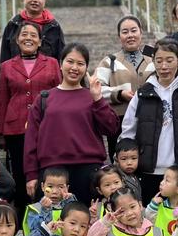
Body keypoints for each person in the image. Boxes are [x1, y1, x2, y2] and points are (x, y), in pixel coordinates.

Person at [24, 43, 120, 206]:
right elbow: (31, 140)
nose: (74, 67)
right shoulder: (44, 98)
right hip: (53, 173)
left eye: (80, 64)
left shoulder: (92, 97)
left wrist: (98, 99)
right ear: (60, 64)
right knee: (52, 225)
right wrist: (31, 175)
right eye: (70, 62)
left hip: (88, 172)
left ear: (86, 68)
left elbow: (111, 128)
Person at [120, 37, 178, 205]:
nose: (164, 66)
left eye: (169, 60)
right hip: (148, 170)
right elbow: (128, 130)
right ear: (153, 61)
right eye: (159, 60)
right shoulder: (144, 91)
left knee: (177, 220)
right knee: (150, 217)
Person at [0, 21, 61, 221]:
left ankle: (48, 216)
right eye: (24, 34)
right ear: (16, 40)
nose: (28, 38)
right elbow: (2, 100)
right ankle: (24, 218)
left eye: (33, 35)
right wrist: (0, 133)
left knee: (46, 173)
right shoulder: (7, 66)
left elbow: (60, 94)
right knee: (21, 175)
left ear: (40, 41)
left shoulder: (51, 63)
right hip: (16, 129)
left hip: (46, 128)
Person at [94, 15, 155, 159]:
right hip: (120, 122)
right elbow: (96, 89)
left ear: (141, 32)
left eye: (134, 31)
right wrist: (119, 94)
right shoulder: (109, 61)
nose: (130, 35)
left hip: (151, 120)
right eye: (125, 32)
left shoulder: (154, 59)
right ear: (119, 36)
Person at [0, 0, 65, 63]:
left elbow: (61, 58)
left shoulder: (54, 27)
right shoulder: (13, 25)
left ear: (45, 0)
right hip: (17, 74)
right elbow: (4, 58)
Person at [144, 164, 178, 236]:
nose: (161, 182)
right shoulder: (159, 205)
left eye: (167, 180)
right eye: (163, 179)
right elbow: (148, 220)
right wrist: (152, 206)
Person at [23, 167, 77, 235]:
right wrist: (45, 211)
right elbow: (35, 232)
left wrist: (71, 202)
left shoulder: (71, 206)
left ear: (67, 188)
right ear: (42, 187)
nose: (54, 191)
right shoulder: (35, 209)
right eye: (50, 186)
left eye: (60, 187)